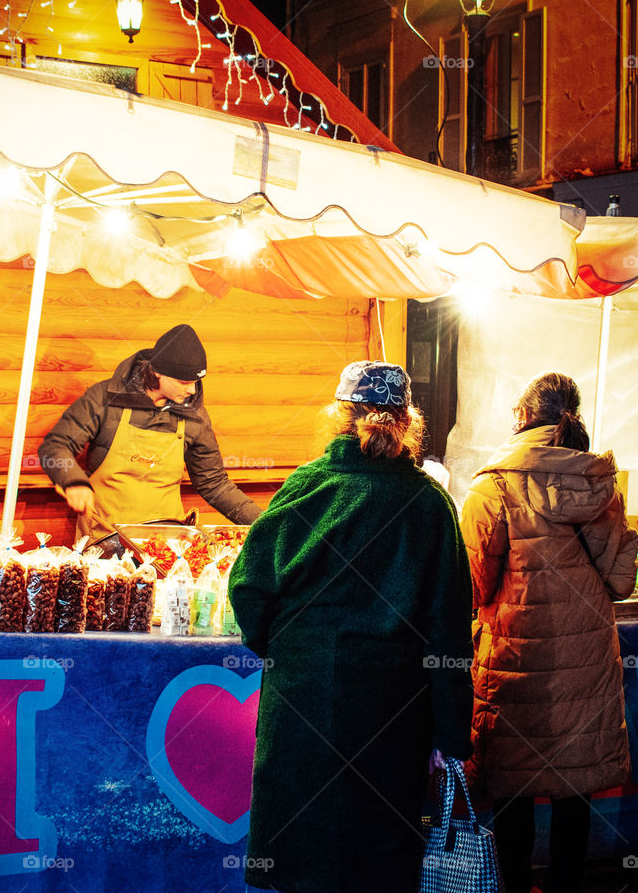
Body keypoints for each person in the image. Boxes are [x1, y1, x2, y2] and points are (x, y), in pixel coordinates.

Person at [227, 360, 474, 893]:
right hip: (393, 712)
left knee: (303, 850)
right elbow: (449, 627)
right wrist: (450, 733)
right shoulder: (429, 504)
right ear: (407, 422)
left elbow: (248, 587)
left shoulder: (306, 487)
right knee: (378, 856)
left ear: (340, 415)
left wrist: (282, 648)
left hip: (301, 700)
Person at [459, 372, 638, 893]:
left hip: (516, 659)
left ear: (521, 416)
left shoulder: (491, 487)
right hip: (586, 659)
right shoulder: (600, 484)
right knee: (574, 784)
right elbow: (621, 582)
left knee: (513, 785)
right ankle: (564, 885)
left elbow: (472, 586)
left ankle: (515, 885)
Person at [38, 324, 261, 541]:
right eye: (184, 381)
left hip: (167, 543)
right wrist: (73, 482)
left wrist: (265, 524)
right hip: (103, 540)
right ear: (157, 372)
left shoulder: (195, 415)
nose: (192, 390)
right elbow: (55, 446)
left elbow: (214, 483)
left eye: (196, 382)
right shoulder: (104, 398)